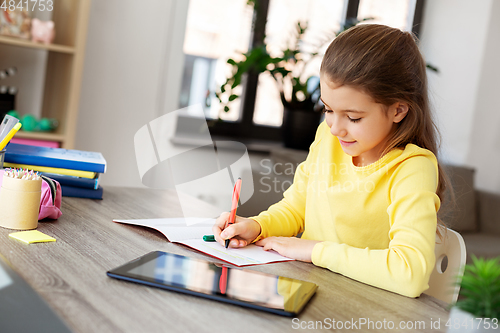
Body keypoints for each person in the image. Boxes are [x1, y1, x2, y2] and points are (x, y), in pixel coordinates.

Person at [213, 24, 449, 298]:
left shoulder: (412, 168)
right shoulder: (328, 137)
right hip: (301, 298)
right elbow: (296, 209)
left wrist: (313, 250)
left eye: (353, 117)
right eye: (328, 109)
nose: (335, 127)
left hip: (361, 312)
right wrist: (256, 226)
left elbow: (409, 274)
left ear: (398, 110)